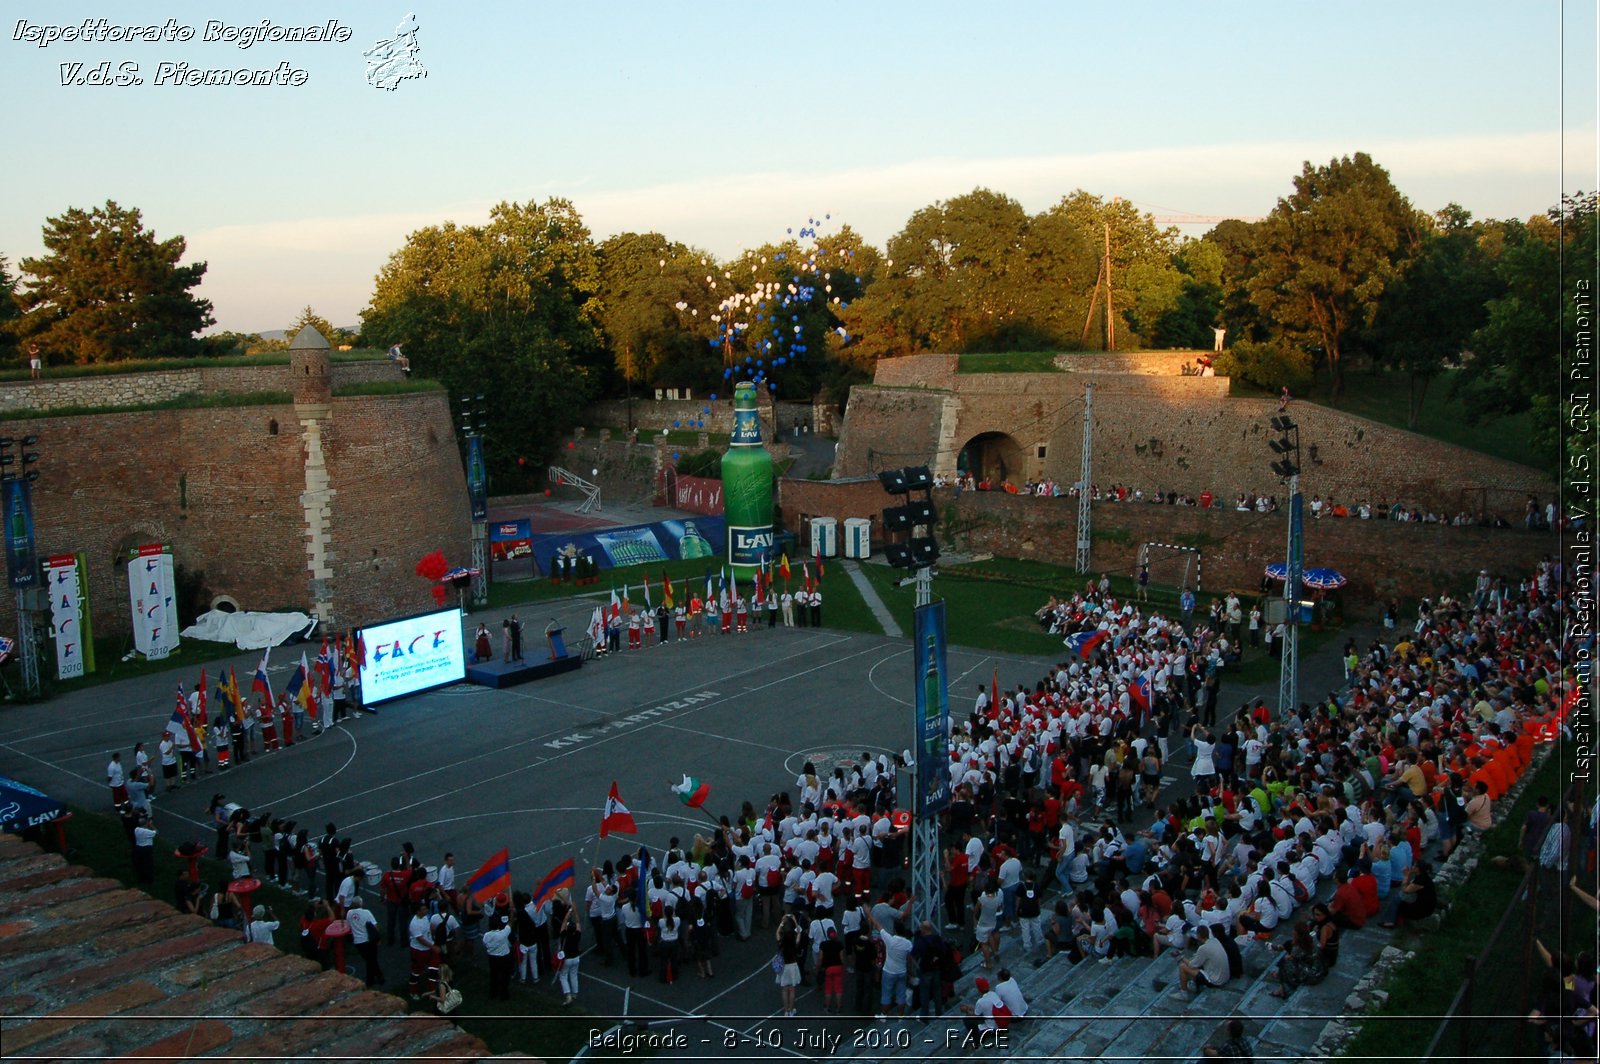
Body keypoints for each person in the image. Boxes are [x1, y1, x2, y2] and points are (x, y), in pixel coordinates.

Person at [1177, 924, 1230, 996]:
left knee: (1182, 966)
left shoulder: (1203, 948)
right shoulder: (1215, 941)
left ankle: (1183, 994)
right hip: (1225, 977)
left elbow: (1192, 964)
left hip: (1216, 981)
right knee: (1196, 962)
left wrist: (1182, 957)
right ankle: (1193, 984)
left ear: (1198, 935)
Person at [346, 896, 383, 987]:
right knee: (372, 960)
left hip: (358, 942)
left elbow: (349, 924)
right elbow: (375, 926)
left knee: (370, 960)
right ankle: (372, 980)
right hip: (368, 940)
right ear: (361, 903)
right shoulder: (366, 912)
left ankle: (378, 977)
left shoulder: (349, 913)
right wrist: (378, 938)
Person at [483, 908, 515, 1000]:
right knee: (505, 976)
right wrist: (512, 914)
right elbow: (510, 924)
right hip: (504, 958)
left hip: (492, 958)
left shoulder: (486, 936)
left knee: (494, 975)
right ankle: (504, 994)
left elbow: (485, 944)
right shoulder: (502, 934)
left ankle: (493, 993)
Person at [775, 912, 804, 1016]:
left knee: (784, 990)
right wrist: (795, 921)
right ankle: (791, 1010)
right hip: (792, 966)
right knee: (792, 990)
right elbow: (799, 932)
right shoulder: (794, 943)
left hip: (784, 967)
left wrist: (782, 922)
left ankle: (786, 1010)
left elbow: (777, 933)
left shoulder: (781, 943)